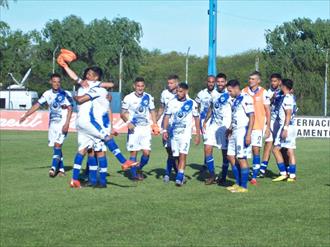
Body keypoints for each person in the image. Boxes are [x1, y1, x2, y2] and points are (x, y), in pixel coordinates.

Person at [19, 73, 73, 177]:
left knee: (58, 145)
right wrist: (26, 115)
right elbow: (37, 105)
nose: (56, 84)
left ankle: (53, 169)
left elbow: (70, 109)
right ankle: (61, 170)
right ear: (50, 82)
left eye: (58, 82)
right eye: (54, 81)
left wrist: (67, 123)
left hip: (62, 123)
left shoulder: (65, 94)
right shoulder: (47, 94)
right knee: (56, 147)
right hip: (52, 123)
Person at [121, 77, 159, 181]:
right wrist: (128, 122)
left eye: (142, 86)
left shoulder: (148, 97)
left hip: (146, 129)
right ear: (134, 86)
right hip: (134, 129)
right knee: (134, 152)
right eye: (138, 86)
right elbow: (123, 113)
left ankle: (138, 168)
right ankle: (133, 176)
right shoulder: (128, 98)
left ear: (144, 86)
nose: (140, 88)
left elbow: (152, 111)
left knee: (147, 153)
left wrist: (155, 124)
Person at [163, 82, 201, 186]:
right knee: (175, 156)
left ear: (186, 91)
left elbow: (197, 119)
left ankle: (179, 177)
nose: (178, 93)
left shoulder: (192, 103)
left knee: (183, 155)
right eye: (177, 91)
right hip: (174, 134)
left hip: (185, 134)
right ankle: (181, 175)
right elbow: (166, 117)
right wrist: (165, 130)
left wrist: (198, 134)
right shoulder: (171, 103)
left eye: (180, 91)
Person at [202, 73, 232, 185]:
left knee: (225, 154)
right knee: (207, 148)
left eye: (222, 81)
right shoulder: (213, 93)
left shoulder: (230, 94)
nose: (219, 84)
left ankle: (223, 177)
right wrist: (205, 121)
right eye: (218, 82)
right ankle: (212, 175)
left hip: (225, 128)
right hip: (213, 126)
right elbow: (211, 107)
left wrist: (231, 127)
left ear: (225, 82)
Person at [242, 71, 271, 185]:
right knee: (243, 152)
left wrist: (268, 127)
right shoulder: (244, 91)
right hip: (245, 127)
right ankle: (246, 171)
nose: (250, 81)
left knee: (256, 149)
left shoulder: (264, 92)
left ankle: (254, 176)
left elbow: (268, 111)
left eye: (253, 79)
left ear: (258, 81)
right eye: (250, 78)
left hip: (258, 126)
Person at [226, 80, 255, 193]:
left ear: (236, 88)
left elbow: (252, 116)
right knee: (230, 156)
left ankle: (243, 186)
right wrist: (230, 128)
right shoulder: (235, 100)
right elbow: (235, 116)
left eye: (230, 90)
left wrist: (248, 134)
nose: (229, 93)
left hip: (242, 131)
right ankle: (237, 183)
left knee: (241, 158)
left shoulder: (246, 98)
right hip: (234, 131)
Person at [272, 79, 298, 182]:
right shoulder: (291, 97)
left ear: (283, 86)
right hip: (291, 126)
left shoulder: (287, 98)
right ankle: (292, 175)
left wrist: (285, 128)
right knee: (290, 151)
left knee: (275, 149)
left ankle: (283, 173)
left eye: (281, 85)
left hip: (286, 126)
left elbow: (288, 113)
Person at [157, 75, 179, 182]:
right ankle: (175, 172)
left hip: (176, 127)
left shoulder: (182, 93)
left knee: (176, 152)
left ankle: (168, 173)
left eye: (171, 83)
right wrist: (155, 122)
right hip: (165, 126)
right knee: (169, 151)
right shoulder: (164, 93)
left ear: (176, 83)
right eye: (168, 83)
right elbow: (161, 108)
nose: (169, 85)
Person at [259, 73, 282, 177]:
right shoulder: (268, 92)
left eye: (275, 81)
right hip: (270, 121)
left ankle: (287, 170)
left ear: (280, 82)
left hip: (280, 123)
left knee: (282, 148)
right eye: (272, 81)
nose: (273, 83)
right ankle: (262, 169)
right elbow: (268, 103)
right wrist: (272, 98)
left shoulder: (284, 91)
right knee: (268, 143)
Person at [195, 75, 216, 170]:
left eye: (212, 82)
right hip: (205, 121)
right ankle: (207, 162)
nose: (211, 83)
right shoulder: (201, 93)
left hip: (216, 120)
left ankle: (209, 161)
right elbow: (196, 105)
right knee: (207, 142)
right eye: (209, 81)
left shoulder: (218, 93)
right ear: (206, 82)